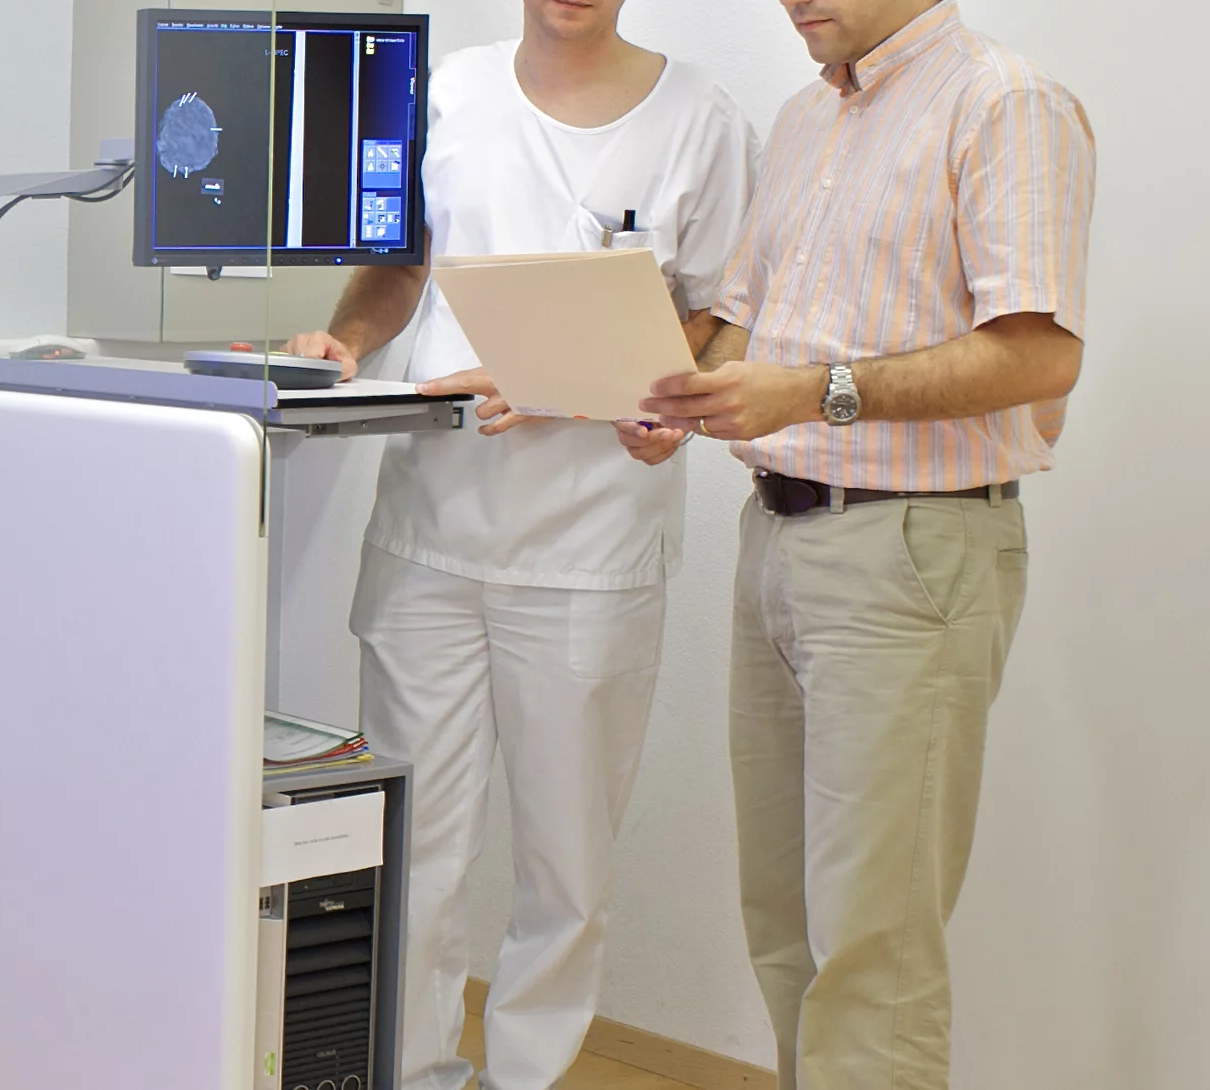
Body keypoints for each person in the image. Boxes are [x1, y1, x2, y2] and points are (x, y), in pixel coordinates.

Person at [284, 2, 757, 1087]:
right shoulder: (445, 91)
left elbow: (722, 315)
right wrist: (344, 341)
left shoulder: (702, 121)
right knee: (412, 852)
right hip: (430, 536)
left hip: (590, 550)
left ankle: (526, 1077)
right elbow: (398, 266)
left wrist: (580, 375)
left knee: (565, 867)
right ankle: (401, 1072)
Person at [627, 2, 1097, 1088]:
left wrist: (815, 392)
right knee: (784, 919)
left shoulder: (1005, 102)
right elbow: (749, 325)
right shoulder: (803, 121)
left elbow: (1038, 354)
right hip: (777, 539)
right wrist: (668, 395)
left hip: (912, 551)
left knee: (872, 948)